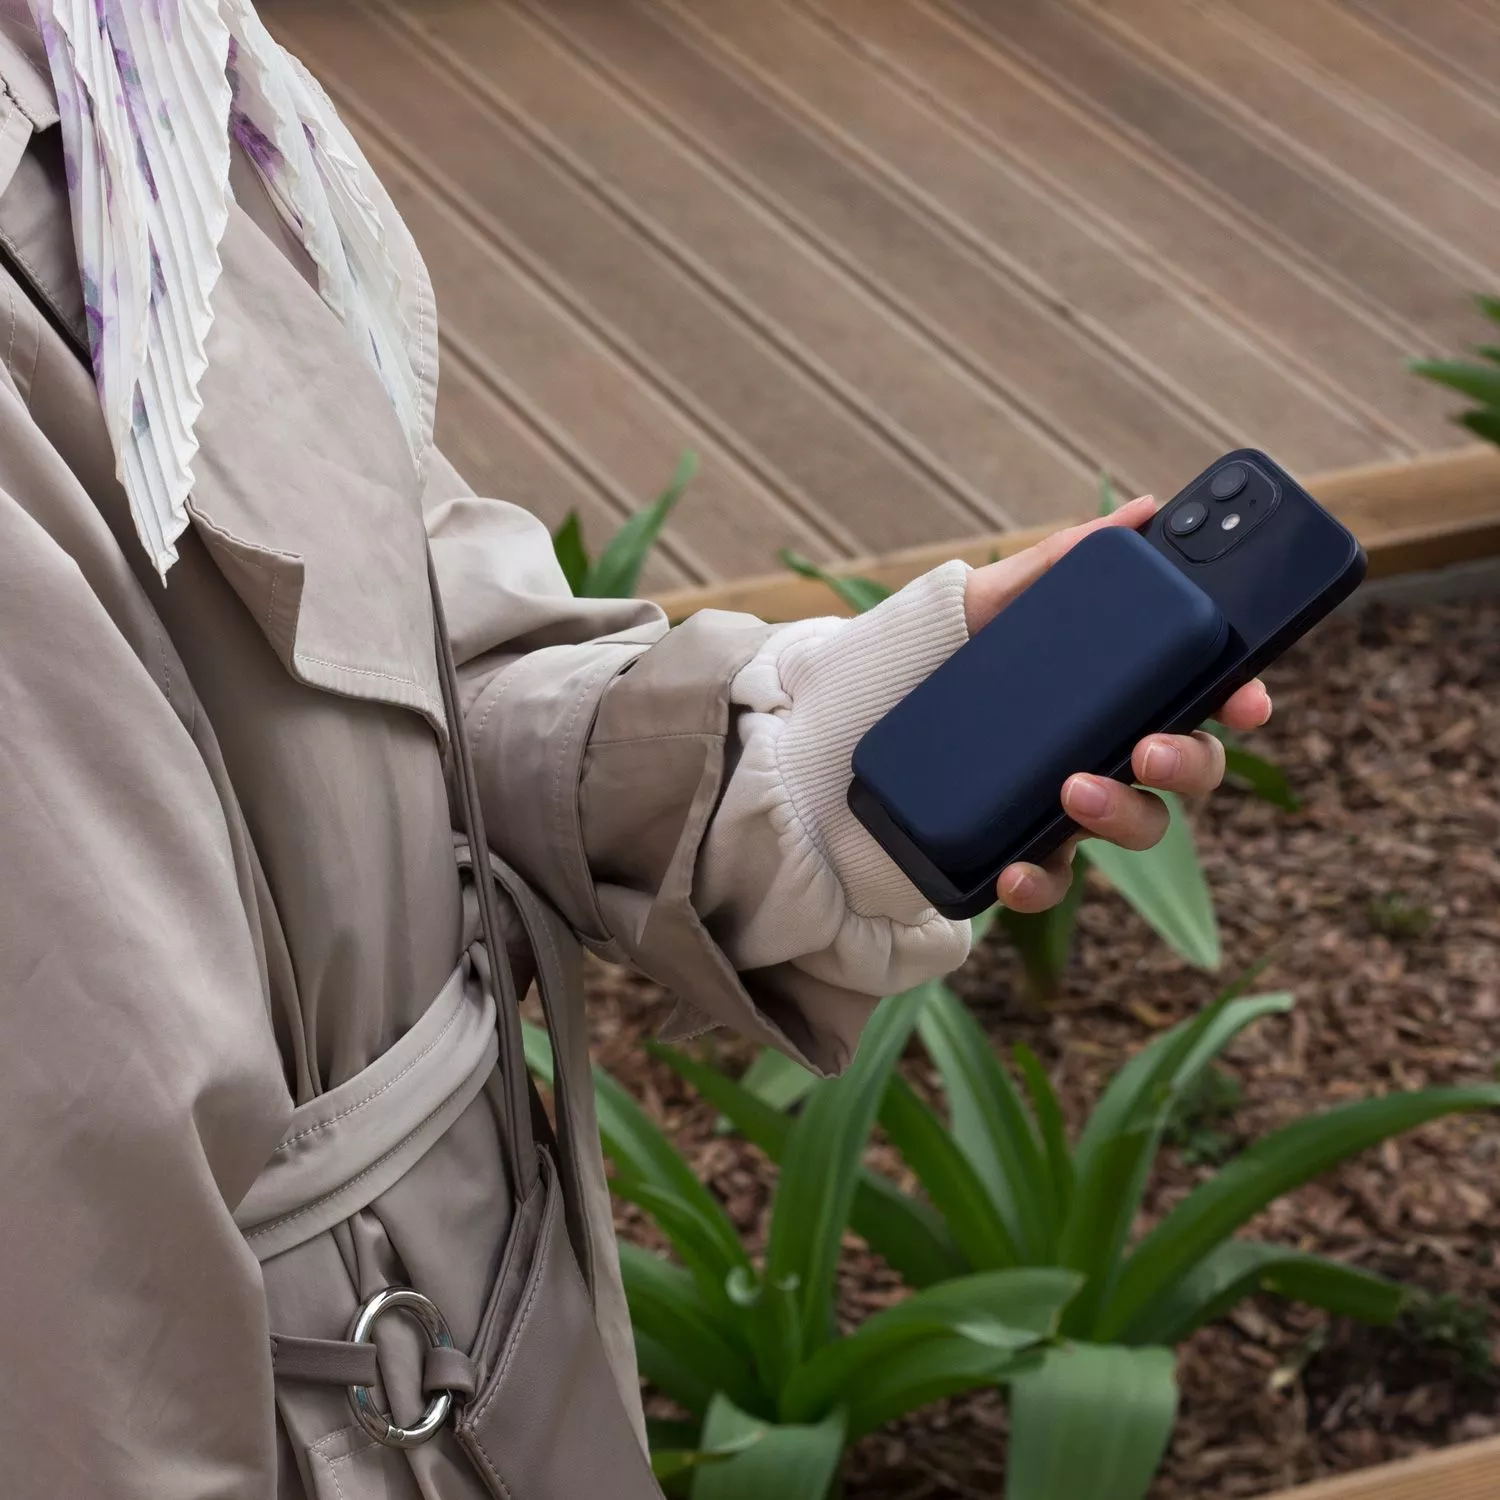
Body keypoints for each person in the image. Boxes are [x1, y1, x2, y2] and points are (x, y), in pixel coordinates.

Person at [0, 6, 1271, 1498]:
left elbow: (387, 642)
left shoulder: (128, 52)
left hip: (453, 1348)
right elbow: (85, 1215)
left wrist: (818, 754)